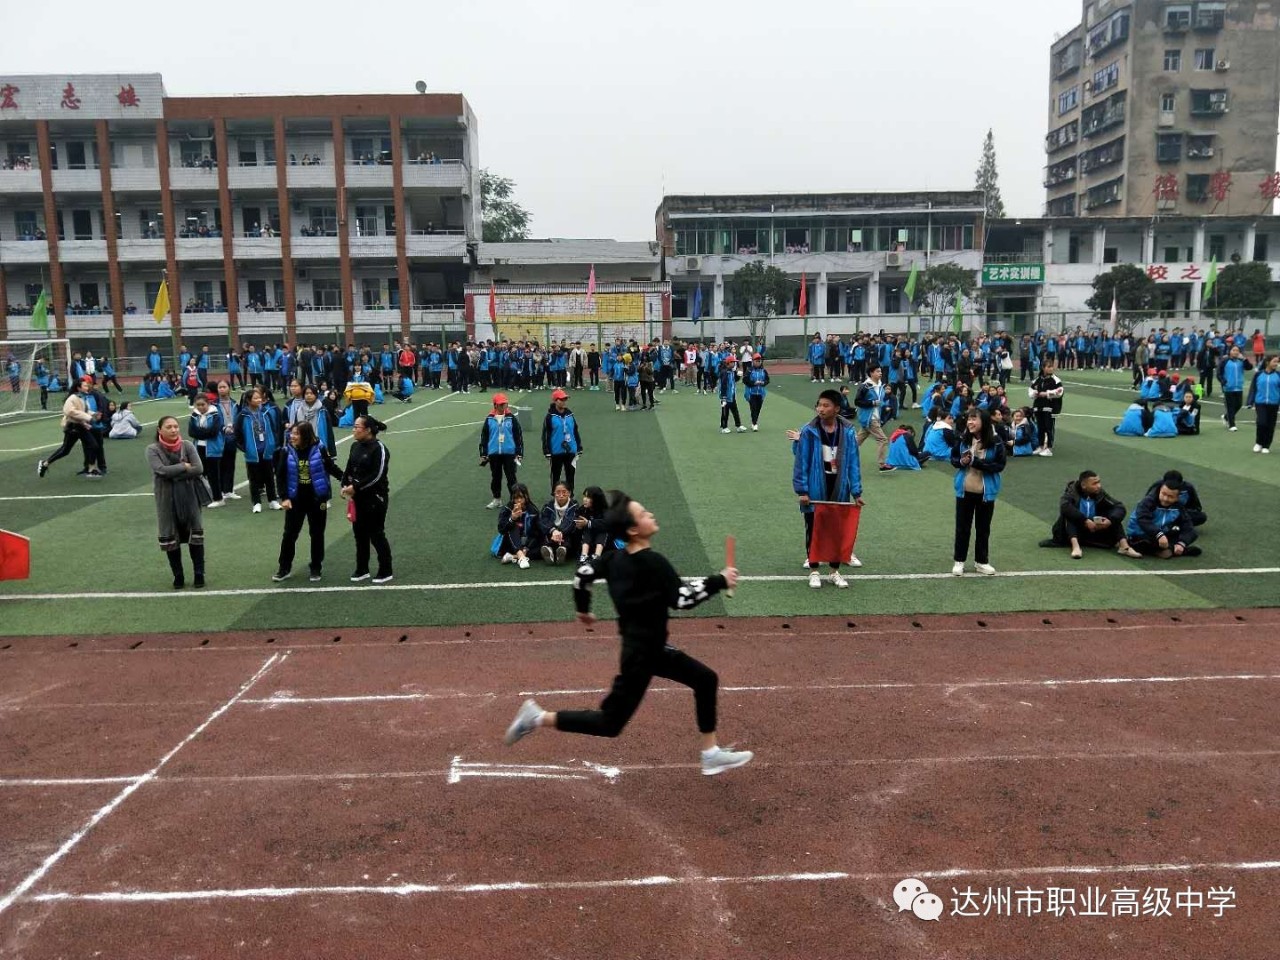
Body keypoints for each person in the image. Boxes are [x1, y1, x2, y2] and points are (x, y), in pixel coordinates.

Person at [502, 490, 753, 777]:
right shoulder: (654, 563)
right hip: (642, 656)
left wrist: (583, 610)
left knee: (705, 679)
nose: (651, 515)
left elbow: (582, 575)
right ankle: (536, 718)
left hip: (648, 648)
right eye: (645, 514)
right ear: (634, 529)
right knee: (610, 724)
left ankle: (710, 754)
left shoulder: (613, 560)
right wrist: (719, 580)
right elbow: (682, 598)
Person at [792, 389, 863, 589]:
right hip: (815, 487)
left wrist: (856, 492)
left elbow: (853, 463)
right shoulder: (809, 430)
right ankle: (814, 570)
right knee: (813, 529)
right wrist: (802, 490)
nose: (821, 409)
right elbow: (801, 462)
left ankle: (834, 571)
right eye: (819, 405)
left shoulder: (848, 431)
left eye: (826, 405)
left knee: (836, 530)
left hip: (839, 486)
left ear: (837, 409)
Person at [273, 420, 343, 583]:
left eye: (296, 433)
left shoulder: (319, 449)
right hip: (295, 500)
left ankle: (316, 567)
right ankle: (284, 568)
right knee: (289, 534)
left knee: (317, 534)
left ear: (305, 435)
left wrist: (346, 480)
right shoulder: (286, 451)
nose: (292, 436)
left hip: (317, 498)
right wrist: (284, 497)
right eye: (292, 433)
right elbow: (280, 476)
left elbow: (330, 467)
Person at [146, 415, 210, 589]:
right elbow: (160, 471)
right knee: (170, 536)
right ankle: (178, 575)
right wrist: (183, 466)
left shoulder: (187, 445)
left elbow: (198, 468)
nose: (174, 430)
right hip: (165, 499)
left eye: (175, 426)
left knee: (195, 535)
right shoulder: (153, 449)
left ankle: (199, 573)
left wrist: (173, 473)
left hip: (189, 496)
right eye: (169, 427)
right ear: (160, 430)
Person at [951, 408, 1006, 576]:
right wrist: (962, 461)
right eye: (968, 419)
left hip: (986, 492)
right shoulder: (963, 439)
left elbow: (999, 465)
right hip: (964, 491)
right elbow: (953, 459)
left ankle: (981, 562)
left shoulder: (996, 441)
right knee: (962, 528)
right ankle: (959, 561)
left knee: (983, 528)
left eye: (974, 419)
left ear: (984, 422)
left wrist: (977, 463)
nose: (970, 422)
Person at [1040, 470, 1143, 559]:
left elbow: (1119, 507)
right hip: (1072, 532)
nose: (1099, 486)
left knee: (1113, 515)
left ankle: (1124, 547)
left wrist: (1109, 521)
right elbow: (1065, 507)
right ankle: (1076, 547)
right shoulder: (1071, 493)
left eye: (1099, 482)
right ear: (1084, 485)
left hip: (1094, 531)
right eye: (1094, 483)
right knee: (1069, 515)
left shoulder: (1100, 494)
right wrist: (1084, 520)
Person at [340, 415, 394, 584]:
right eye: (354, 427)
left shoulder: (379, 448)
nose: (354, 430)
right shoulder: (355, 446)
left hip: (375, 498)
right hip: (358, 499)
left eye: (357, 427)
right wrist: (345, 484)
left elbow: (377, 474)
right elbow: (349, 468)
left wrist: (355, 487)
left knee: (376, 534)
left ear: (368, 430)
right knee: (359, 534)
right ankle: (362, 568)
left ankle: (386, 570)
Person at [37, 378, 101, 479]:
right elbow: (70, 412)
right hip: (73, 427)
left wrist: (94, 414)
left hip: (80, 426)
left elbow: (83, 411)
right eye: (84, 385)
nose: (87, 387)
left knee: (93, 445)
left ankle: (91, 469)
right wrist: (89, 417)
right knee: (65, 450)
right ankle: (45, 463)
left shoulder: (81, 397)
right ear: (78, 388)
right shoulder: (72, 398)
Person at [1124, 480, 1201, 559]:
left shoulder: (1179, 507)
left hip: (1163, 535)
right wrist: (1159, 534)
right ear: (1159, 490)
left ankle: (1172, 549)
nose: (1165, 498)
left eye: (1170, 496)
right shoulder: (1148, 502)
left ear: (1177, 497)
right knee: (1143, 543)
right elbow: (1143, 521)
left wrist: (1182, 543)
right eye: (1163, 494)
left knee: (1179, 530)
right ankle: (1173, 550)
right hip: (1140, 535)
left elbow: (1189, 528)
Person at [236, 387, 281, 513]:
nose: (259, 400)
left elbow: (273, 428)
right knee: (254, 478)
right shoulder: (243, 415)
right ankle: (256, 502)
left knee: (269, 477)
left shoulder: (265, 412)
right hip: (252, 452)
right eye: (255, 398)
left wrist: (273, 443)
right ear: (249, 401)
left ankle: (273, 501)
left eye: (259, 397)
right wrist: (244, 448)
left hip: (266, 450)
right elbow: (237, 434)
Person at [480, 393, 523, 508]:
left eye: (505, 404)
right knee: (496, 477)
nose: (504, 406)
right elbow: (484, 437)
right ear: (495, 405)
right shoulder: (489, 419)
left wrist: (519, 453)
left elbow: (518, 436)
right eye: (501, 404)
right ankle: (497, 499)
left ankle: (514, 501)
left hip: (509, 453)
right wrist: (483, 453)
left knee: (511, 478)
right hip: (494, 453)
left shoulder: (511, 418)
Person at [541, 388, 583, 494]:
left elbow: (575, 431)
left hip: (570, 449)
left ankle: (570, 495)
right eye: (561, 399)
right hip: (556, 450)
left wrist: (579, 447)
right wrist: (546, 450)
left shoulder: (570, 415)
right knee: (556, 474)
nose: (564, 401)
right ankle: (555, 495)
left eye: (565, 399)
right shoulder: (549, 417)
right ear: (555, 401)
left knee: (570, 474)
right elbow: (545, 434)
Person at [187, 394, 226, 508]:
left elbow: (213, 432)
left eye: (203, 404)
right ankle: (203, 496)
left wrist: (201, 433)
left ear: (208, 404)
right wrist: (204, 433)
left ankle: (218, 498)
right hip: (199, 447)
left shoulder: (215, 416)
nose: (200, 407)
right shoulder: (194, 416)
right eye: (198, 405)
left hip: (213, 449)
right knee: (200, 473)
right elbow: (191, 432)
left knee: (213, 474)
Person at [853, 365, 894, 472]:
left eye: (880, 371)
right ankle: (882, 464)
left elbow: (880, 402)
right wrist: (872, 403)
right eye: (877, 371)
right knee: (883, 439)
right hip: (869, 418)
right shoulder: (865, 386)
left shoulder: (880, 385)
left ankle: (842, 456)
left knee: (857, 441)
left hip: (875, 417)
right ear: (871, 373)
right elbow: (857, 401)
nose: (880, 373)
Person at [496, 482, 539, 569]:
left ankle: (513, 556)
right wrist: (512, 518)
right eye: (516, 498)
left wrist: (527, 547)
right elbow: (501, 530)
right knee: (513, 526)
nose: (519, 500)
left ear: (526, 497)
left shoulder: (533, 511)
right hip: (510, 543)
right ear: (512, 498)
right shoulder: (507, 509)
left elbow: (536, 532)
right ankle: (520, 556)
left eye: (521, 497)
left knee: (543, 547)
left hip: (527, 544)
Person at [539, 482, 580, 565]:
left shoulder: (574, 505)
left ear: (569, 493)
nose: (561, 495)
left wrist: (560, 532)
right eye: (558, 492)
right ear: (554, 493)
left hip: (567, 533)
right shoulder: (548, 505)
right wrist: (553, 530)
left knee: (569, 533)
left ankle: (561, 550)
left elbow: (571, 521)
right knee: (547, 531)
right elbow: (543, 520)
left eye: (564, 492)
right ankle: (551, 551)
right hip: (552, 532)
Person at [1029, 361, 1064, 456]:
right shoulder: (1037, 380)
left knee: (1049, 428)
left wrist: (1046, 393)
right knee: (1040, 427)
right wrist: (1034, 393)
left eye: (1051, 367)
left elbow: (1060, 392)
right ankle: (1040, 446)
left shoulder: (1056, 380)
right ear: (1043, 368)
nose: (1050, 368)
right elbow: (1030, 391)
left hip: (1050, 407)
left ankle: (1049, 448)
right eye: (1048, 367)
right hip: (1038, 406)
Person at [1246, 354, 1279, 453]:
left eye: (1277, 362)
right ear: (1267, 362)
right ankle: (1259, 442)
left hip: (1274, 403)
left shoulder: (1278, 375)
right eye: (1274, 361)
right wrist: (1250, 401)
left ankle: (1266, 445)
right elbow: (1253, 388)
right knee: (1261, 422)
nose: (1276, 364)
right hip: (1260, 403)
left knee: (1270, 425)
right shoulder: (1258, 374)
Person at [1217, 346, 1252, 432]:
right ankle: (1231, 424)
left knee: (1238, 405)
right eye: (1234, 350)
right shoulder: (1225, 361)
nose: (1236, 352)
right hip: (1228, 388)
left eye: (1237, 350)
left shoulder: (1241, 361)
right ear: (1230, 351)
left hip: (1239, 387)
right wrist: (1224, 381)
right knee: (1230, 407)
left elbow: (1249, 367)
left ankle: (1226, 417)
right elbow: (1219, 373)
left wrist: (1244, 359)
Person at [575, 485, 611, 565]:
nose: (585, 499)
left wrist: (589, 523)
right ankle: (584, 556)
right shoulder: (583, 509)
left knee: (602, 531)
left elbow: (607, 523)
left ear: (596, 499)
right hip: (588, 538)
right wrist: (578, 524)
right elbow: (576, 517)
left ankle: (597, 556)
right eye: (584, 496)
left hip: (604, 541)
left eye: (588, 497)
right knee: (587, 529)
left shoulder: (605, 509)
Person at [742, 353, 770, 432]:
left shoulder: (763, 370)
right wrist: (754, 383)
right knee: (753, 408)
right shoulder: (749, 370)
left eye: (759, 361)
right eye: (756, 361)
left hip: (761, 393)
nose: (758, 362)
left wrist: (763, 383)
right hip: (751, 393)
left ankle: (754, 421)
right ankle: (754, 423)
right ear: (753, 361)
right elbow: (745, 380)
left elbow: (767, 380)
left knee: (758, 409)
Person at [718, 355, 745, 433]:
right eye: (733, 362)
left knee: (735, 411)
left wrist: (738, 376)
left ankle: (738, 425)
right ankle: (724, 427)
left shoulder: (732, 372)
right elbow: (723, 385)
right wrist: (723, 397)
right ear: (728, 363)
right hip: (726, 396)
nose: (734, 364)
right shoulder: (725, 373)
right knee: (725, 412)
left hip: (732, 395)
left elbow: (734, 380)